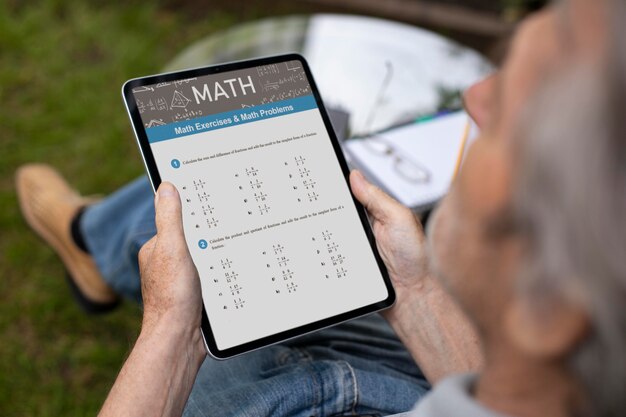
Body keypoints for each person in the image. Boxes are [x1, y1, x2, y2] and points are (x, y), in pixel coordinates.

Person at [15, 0, 626, 415]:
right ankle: (94, 243)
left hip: (287, 389)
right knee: (256, 195)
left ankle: (90, 239)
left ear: (549, 310)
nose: (476, 95)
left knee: (194, 213)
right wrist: (414, 295)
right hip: (425, 358)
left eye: (517, 111)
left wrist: (170, 336)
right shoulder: (554, 379)